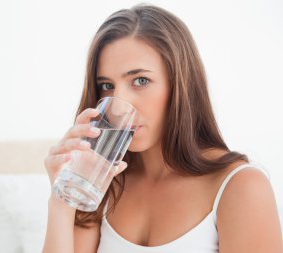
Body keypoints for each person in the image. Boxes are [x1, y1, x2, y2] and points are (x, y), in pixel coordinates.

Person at [42, 4, 283, 253]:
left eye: (140, 81)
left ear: (180, 85)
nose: (119, 106)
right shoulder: (104, 183)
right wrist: (61, 202)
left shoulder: (240, 187)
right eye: (106, 85)